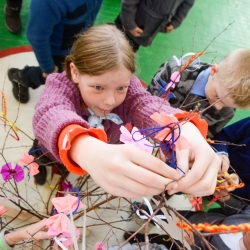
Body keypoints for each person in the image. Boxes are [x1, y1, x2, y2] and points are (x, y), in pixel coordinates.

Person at [32, 24, 221, 198]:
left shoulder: (130, 90)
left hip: (100, 152)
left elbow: (146, 104)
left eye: (120, 88)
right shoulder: (60, 86)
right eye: (98, 87)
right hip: (49, 149)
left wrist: (180, 127)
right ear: (74, 72)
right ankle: (41, 165)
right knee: (45, 159)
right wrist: (81, 146)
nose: (110, 101)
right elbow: (50, 112)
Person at [7, 0, 103, 104]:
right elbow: (36, 37)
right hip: (58, 51)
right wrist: (48, 68)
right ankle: (22, 77)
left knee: (70, 74)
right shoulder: (46, 3)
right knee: (59, 75)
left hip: (78, 43)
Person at [147, 49, 250, 138]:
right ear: (213, 71)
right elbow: (146, 102)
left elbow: (204, 137)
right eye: (217, 96)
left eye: (227, 105)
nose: (218, 107)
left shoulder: (228, 111)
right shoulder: (176, 71)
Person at [114, 0, 195, 52]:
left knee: (127, 54)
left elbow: (187, 3)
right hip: (131, 22)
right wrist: (129, 23)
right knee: (112, 47)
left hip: (145, 30)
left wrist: (176, 20)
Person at [212, 117, 250, 202]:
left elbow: (247, 195)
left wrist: (234, 186)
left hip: (219, 192)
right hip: (206, 159)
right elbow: (223, 136)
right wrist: (221, 152)